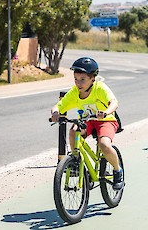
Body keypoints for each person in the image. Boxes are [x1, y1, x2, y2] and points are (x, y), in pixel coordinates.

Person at [50, 57, 124, 190]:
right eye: (76, 79)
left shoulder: (100, 88)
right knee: (73, 130)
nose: (79, 83)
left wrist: (106, 112)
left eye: (83, 79)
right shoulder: (74, 93)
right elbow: (59, 106)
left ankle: (118, 171)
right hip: (88, 122)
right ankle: (76, 162)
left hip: (105, 121)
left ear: (93, 79)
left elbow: (114, 103)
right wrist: (55, 113)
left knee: (104, 144)